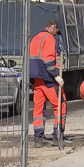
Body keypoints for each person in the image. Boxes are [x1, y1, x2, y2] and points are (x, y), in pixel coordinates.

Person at [30, 19, 66, 148]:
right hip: (48, 79)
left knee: (38, 108)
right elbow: (48, 60)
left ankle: (38, 137)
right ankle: (58, 135)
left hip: (37, 79)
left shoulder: (35, 38)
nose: (56, 34)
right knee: (60, 105)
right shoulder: (49, 38)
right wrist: (56, 76)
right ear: (53, 27)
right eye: (56, 32)